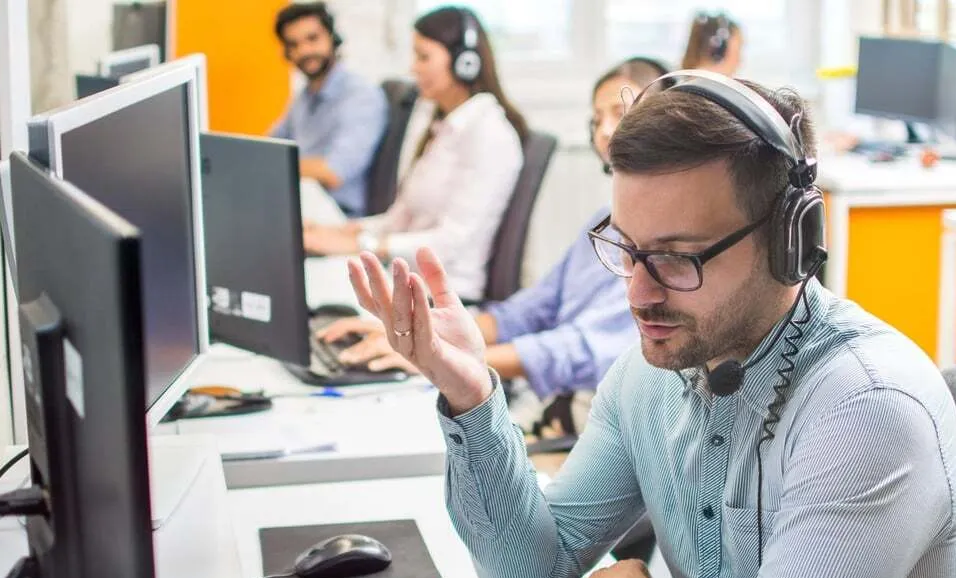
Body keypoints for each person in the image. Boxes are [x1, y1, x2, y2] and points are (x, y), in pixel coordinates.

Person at [339, 70, 956, 578]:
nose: (637, 291)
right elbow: (523, 573)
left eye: (677, 257)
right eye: (626, 248)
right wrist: (471, 392)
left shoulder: (868, 410)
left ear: (790, 240)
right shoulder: (653, 373)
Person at [317, 57, 669, 401]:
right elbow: (531, 310)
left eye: (619, 114)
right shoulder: (603, 221)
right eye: (596, 119)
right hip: (558, 398)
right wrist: (418, 334)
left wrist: (444, 357)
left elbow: (582, 351)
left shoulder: (664, 240)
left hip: (595, 410)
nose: (605, 130)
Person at [303, 6, 525, 303]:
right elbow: (402, 217)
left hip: (444, 296)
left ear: (465, 62)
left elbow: (451, 243)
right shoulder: (441, 122)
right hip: (405, 279)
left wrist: (362, 244)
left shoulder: (490, 135)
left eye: (423, 57)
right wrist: (342, 231)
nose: (413, 69)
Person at [267, 2, 387, 217]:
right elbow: (270, 146)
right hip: (303, 198)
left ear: (332, 37)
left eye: (312, 39)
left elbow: (333, 172)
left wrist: (270, 166)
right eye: (293, 44)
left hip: (338, 214)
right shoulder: (304, 97)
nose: (304, 51)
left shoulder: (360, 96)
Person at [681, 12, 743, 77]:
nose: (739, 61)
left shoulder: (687, 82)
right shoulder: (708, 85)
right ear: (719, 51)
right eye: (738, 49)